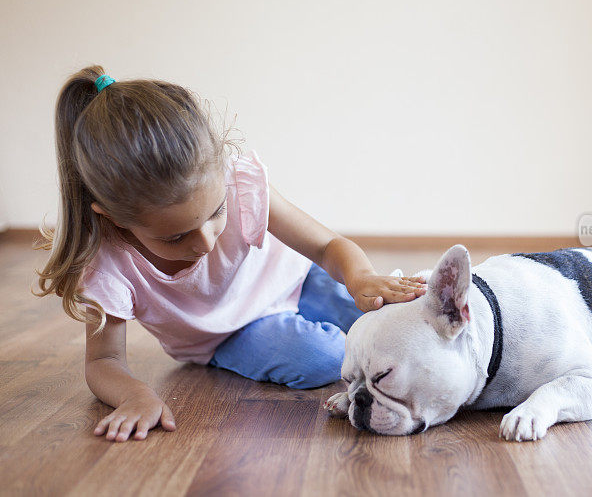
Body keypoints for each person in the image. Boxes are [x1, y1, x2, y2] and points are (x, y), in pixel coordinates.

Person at [35, 66, 427, 442]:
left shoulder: (239, 182)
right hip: (224, 335)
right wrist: (135, 394)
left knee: (385, 311)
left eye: (217, 212)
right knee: (324, 357)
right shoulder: (106, 264)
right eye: (175, 237)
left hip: (295, 281)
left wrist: (358, 277)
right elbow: (103, 362)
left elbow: (327, 247)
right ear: (116, 220)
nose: (204, 243)